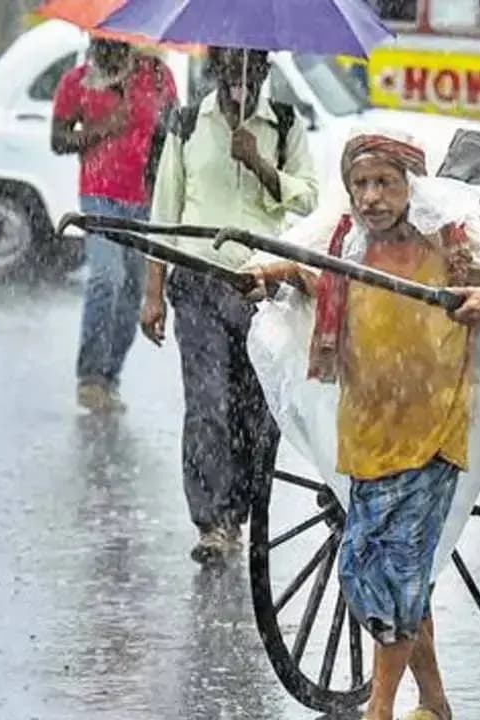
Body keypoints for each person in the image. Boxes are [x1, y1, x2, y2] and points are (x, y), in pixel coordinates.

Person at [248, 129, 480, 720]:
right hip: (370, 430)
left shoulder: (453, 235)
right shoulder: (343, 240)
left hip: (435, 426)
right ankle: (435, 703)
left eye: (384, 183)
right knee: (371, 568)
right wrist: (267, 275)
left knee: (401, 568)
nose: (372, 197)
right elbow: (298, 267)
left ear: (412, 185)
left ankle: (378, 710)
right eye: (360, 184)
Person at [141, 47, 319, 565]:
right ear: (215, 69)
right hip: (197, 280)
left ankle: (241, 511)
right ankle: (213, 520)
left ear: (265, 71)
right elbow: (164, 209)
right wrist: (154, 293)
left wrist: (260, 164)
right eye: (230, 66)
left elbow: (307, 199)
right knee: (208, 403)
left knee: (253, 408)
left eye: (252, 67)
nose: (240, 77)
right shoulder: (188, 122)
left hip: (262, 285)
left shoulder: (285, 125)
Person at [52, 39, 176, 413]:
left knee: (132, 292)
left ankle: (110, 376)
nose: (106, 48)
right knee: (107, 277)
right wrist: (103, 128)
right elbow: (58, 140)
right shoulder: (78, 82)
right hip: (98, 193)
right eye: (99, 40)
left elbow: (173, 133)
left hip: (144, 198)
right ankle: (89, 378)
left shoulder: (156, 77)